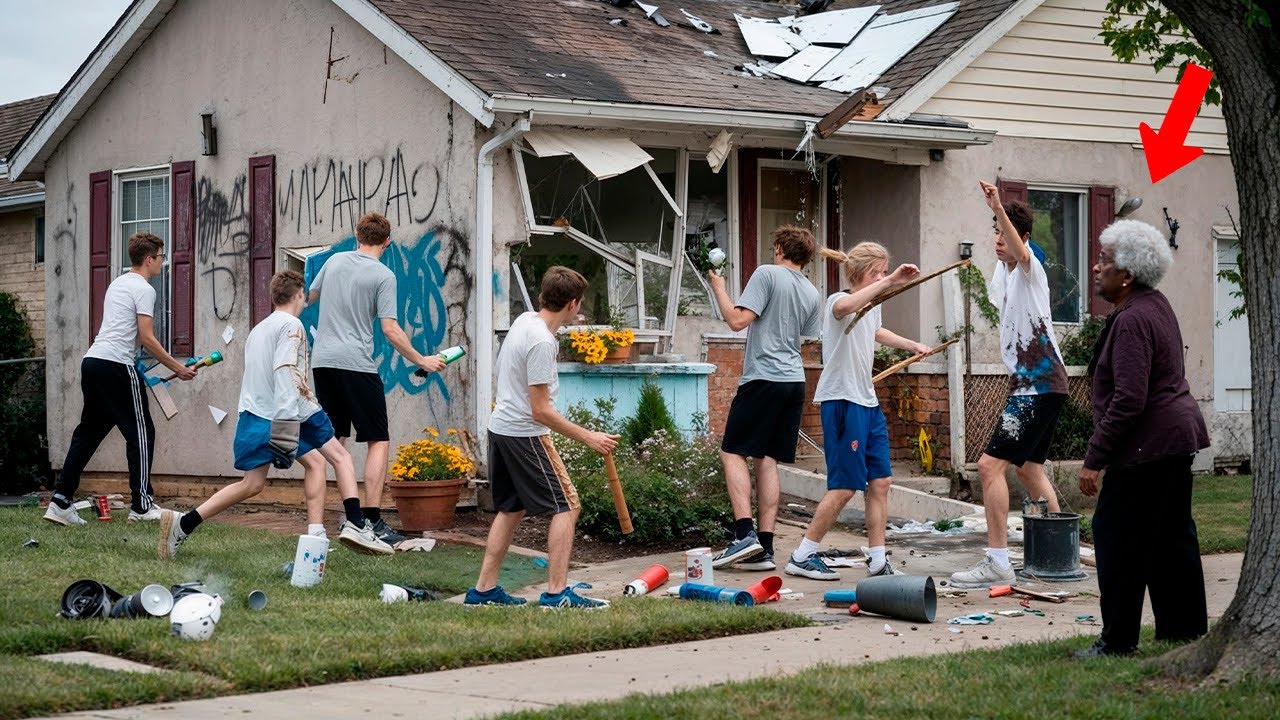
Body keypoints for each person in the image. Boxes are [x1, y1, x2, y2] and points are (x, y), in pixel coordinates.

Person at [157, 271, 391, 559]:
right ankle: (357, 524)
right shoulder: (293, 326)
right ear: (299, 295)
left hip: (255, 414)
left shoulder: (259, 329)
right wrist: (287, 421)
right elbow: (286, 371)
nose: (306, 303)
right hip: (290, 411)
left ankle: (184, 523)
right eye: (305, 297)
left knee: (256, 483)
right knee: (340, 457)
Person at [1074, 219, 1210, 658]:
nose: (1097, 268)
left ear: (1127, 275)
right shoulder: (1155, 305)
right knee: (1171, 539)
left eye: (1104, 260)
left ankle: (1116, 642)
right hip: (1174, 439)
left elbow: (1130, 399)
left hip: (1147, 446)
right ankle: (1183, 631)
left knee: (1116, 538)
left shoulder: (1134, 319)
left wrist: (1094, 458)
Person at [464, 266, 619, 608]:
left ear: (542, 296)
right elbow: (540, 410)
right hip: (524, 434)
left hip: (501, 428)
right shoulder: (541, 342)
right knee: (567, 506)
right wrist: (589, 436)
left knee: (511, 509)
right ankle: (556, 593)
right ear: (573, 304)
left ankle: (483, 591)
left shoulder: (524, 322)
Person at [784, 243, 929, 581]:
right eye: (877, 272)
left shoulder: (871, 304)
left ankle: (878, 560)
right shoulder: (838, 301)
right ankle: (802, 556)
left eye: (883, 272)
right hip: (843, 402)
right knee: (845, 486)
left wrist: (912, 345)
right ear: (861, 273)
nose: (881, 277)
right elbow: (848, 307)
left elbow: (874, 330)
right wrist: (891, 280)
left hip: (868, 403)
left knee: (880, 482)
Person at [949, 181, 1069, 589]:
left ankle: (998, 559)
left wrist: (998, 205)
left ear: (1023, 239)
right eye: (995, 233)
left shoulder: (1033, 273)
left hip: (1037, 386)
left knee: (988, 466)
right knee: (1030, 469)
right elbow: (1007, 259)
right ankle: (1060, 555)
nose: (998, 241)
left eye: (1004, 233)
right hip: (1039, 385)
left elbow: (1020, 251)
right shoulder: (1005, 276)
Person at [307, 212, 447, 543]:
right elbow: (391, 329)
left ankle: (317, 525)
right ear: (387, 241)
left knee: (331, 440)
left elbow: (307, 298)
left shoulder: (334, 262)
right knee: (378, 439)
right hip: (356, 365)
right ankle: (370, 521)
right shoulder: (384, 275)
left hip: (323, 363)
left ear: (357, 236)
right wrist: (422, 360)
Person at [42, 232, 198, 527]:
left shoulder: (117, 283)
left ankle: (61, 500)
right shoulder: (144, 288)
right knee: (141, 432)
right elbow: (147, 338)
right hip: (115, 365)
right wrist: (178, 368)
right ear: (149, 259)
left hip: (93, 363)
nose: (162, 263)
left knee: (88, 434)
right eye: (161, 258)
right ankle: (141, 505)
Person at [707, 225, 821, 571]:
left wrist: (719, 288)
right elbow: (810, 340)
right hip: (793, 381)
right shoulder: (812, 292)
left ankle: (744, 534)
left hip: (762, 378)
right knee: (767, 458)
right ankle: (766, 548)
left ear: (780, 250)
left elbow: (737, 321)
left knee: (731, 452)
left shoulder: (767, 274)